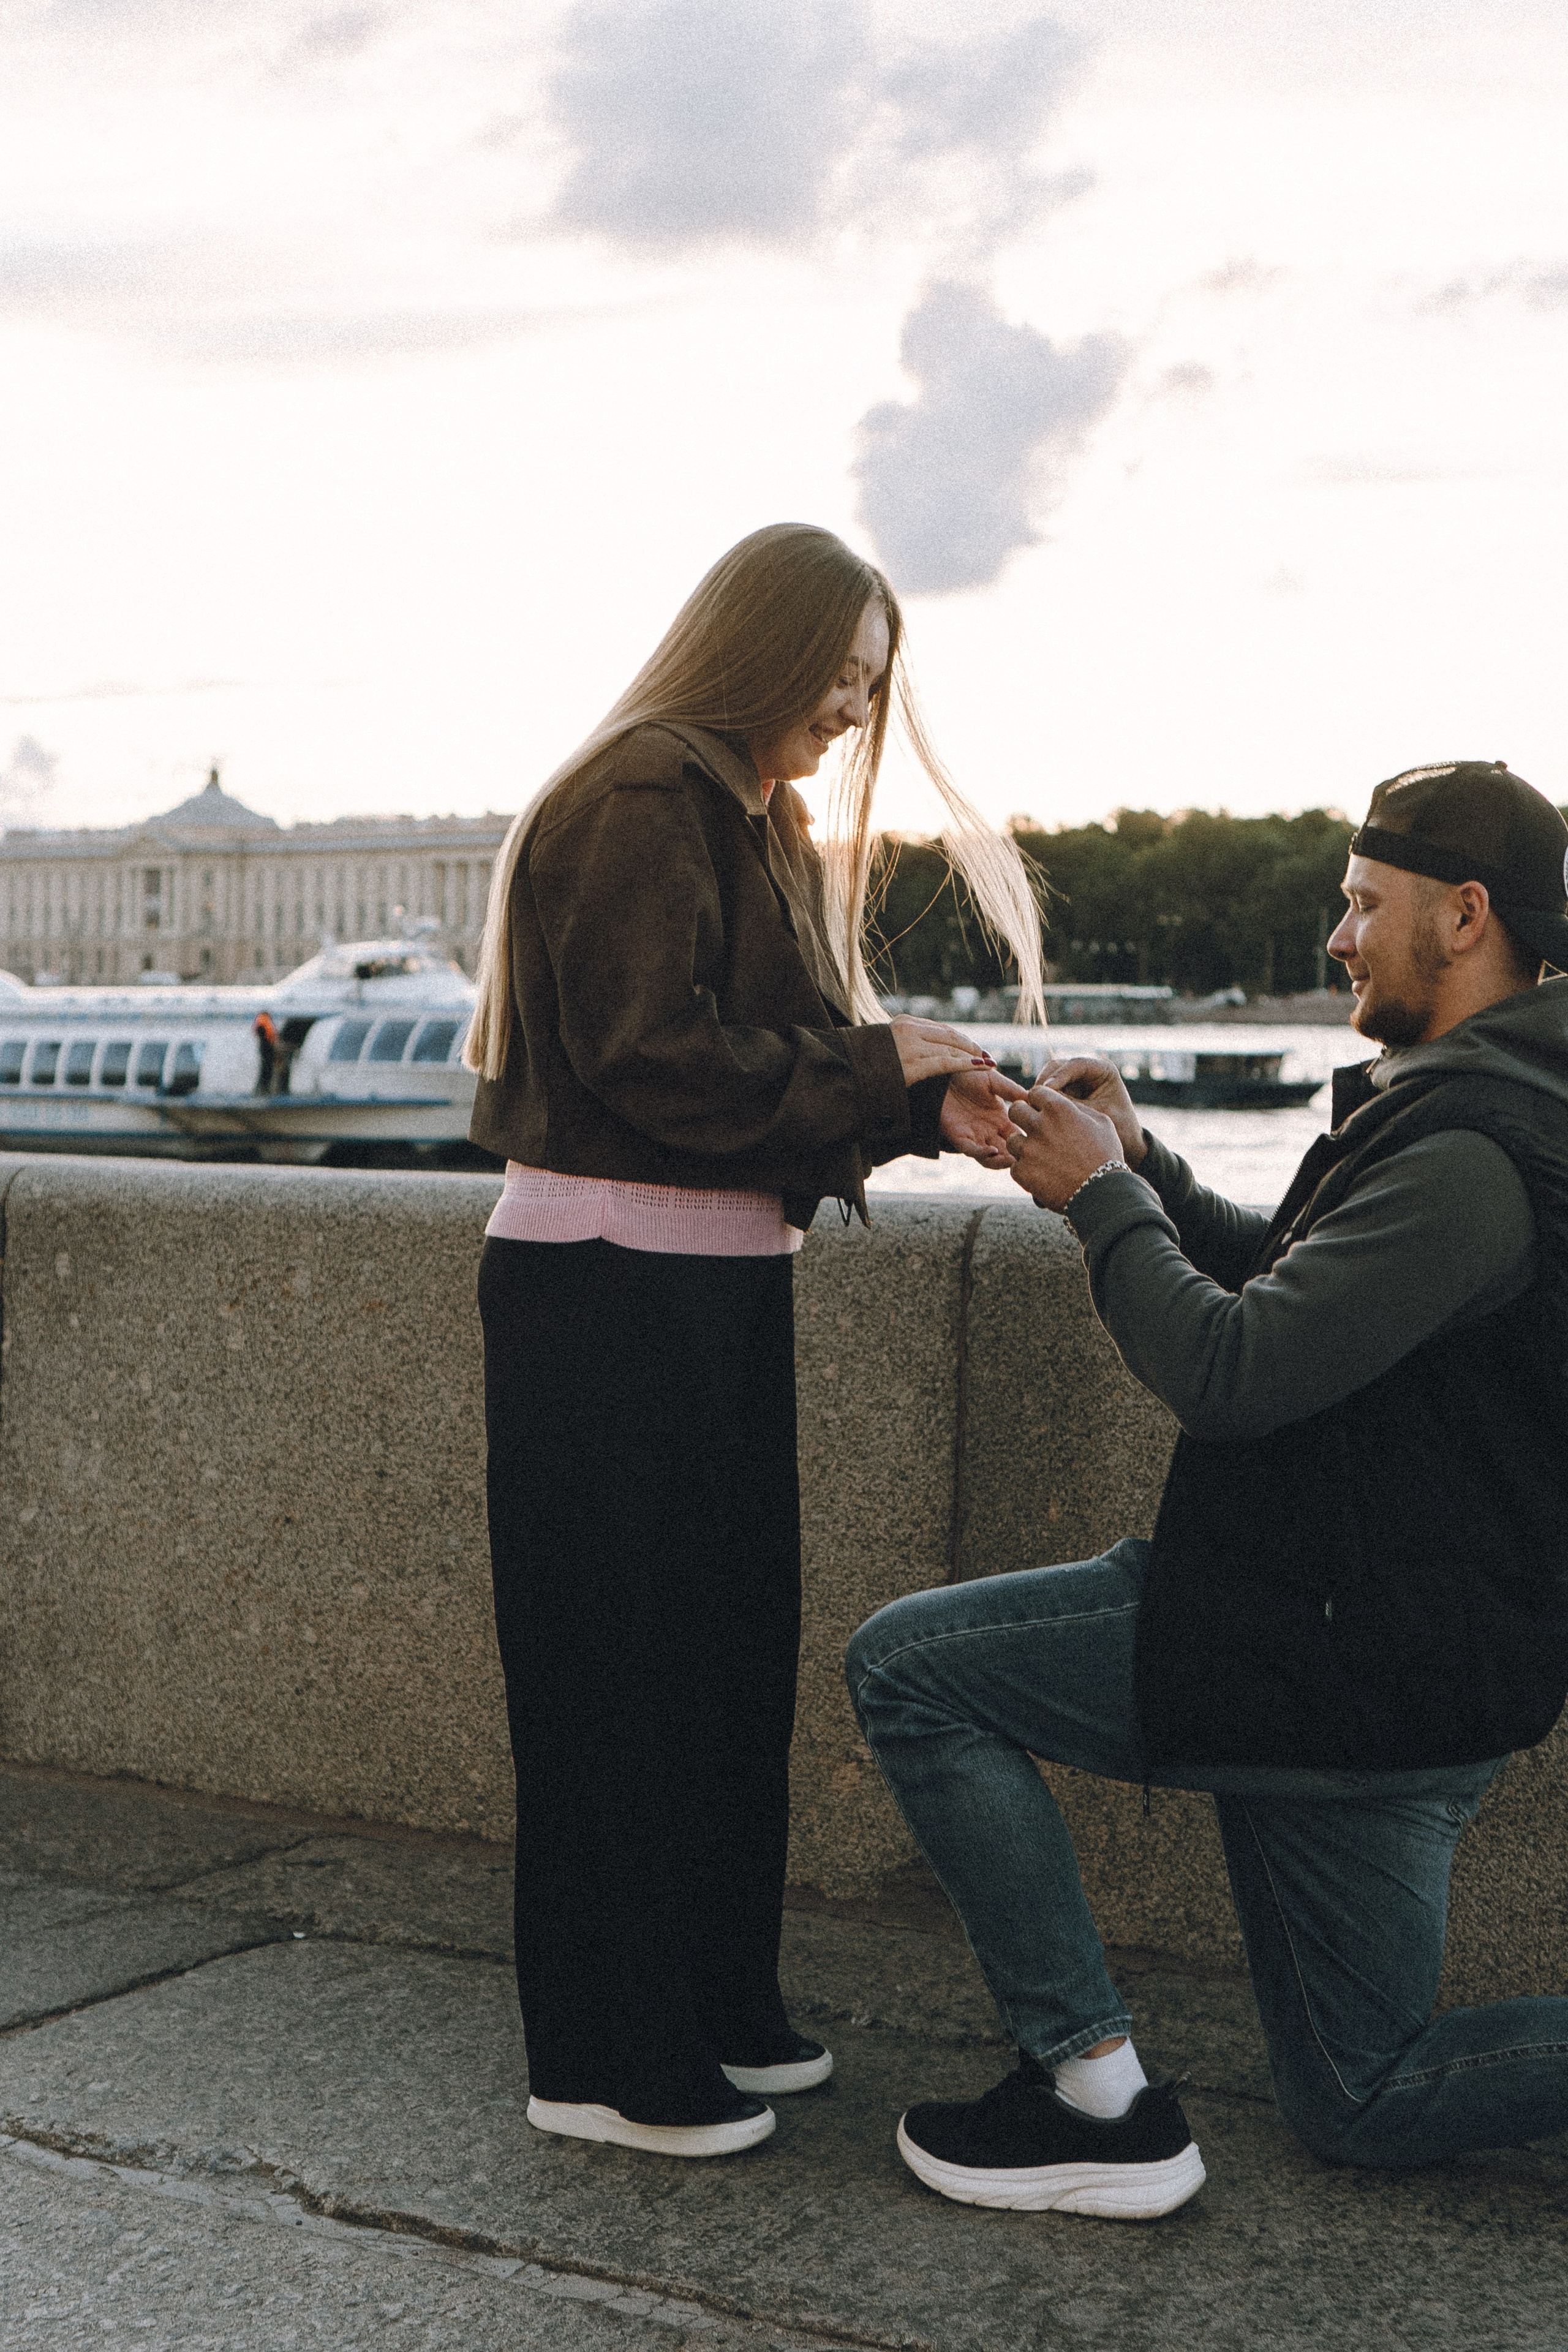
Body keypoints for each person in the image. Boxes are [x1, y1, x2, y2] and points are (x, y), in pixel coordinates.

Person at [847, 760, 1568, 2219]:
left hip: (1319, 1642)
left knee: (911, 1674)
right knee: (1359, 2096)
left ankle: (1087, 2099)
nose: (1336, 937)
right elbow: (1306, 1292)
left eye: (1362, 904)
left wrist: (1095, 1195)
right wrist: (1148, 1164)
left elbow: (1235, 1370)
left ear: (1464, 916)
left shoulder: (1473, 1153)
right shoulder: (1488, 1105)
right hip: (1395, 1656)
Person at [466, 523, 1039, 2160]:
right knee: (614, 1684)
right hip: (606, 1297)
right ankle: (603, 2056)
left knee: (717, 1666)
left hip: (694, 1288)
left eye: (873, 686)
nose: (856, 713)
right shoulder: (645, 796)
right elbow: (663, 1062)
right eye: (842, 679)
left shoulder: (740, 808)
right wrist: (885, 1078)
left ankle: (709, 2002)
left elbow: (764, 1059)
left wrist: (924, 1089)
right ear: (763, 651)